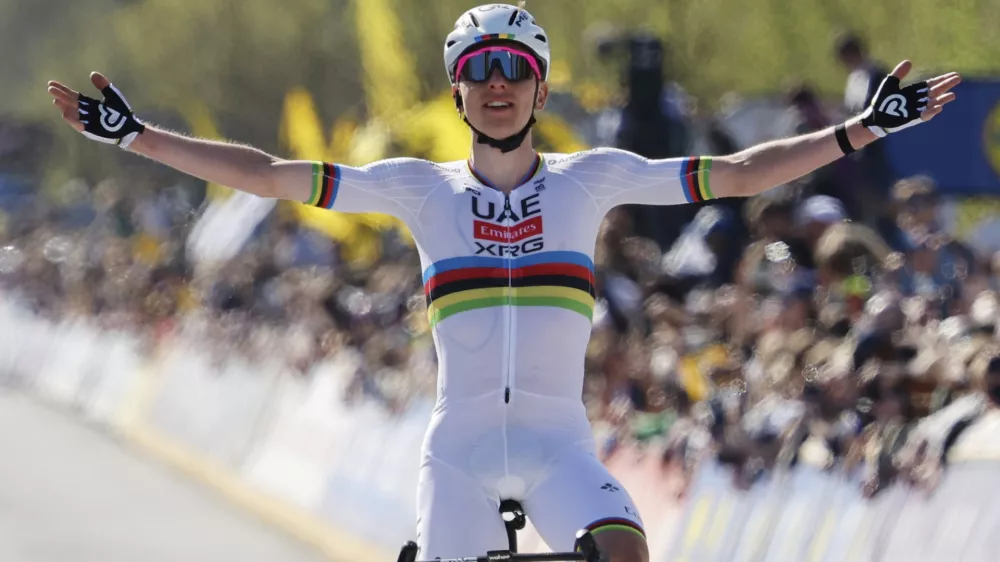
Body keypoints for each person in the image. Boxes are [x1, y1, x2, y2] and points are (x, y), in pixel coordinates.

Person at [46, 4, 960, 561]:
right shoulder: (415, 187)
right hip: (461, 454)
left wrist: (860, 133)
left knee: (625, 552)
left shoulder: (592, 178)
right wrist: (139, 137)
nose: (495, 85)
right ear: (455, 90)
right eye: (476, 71)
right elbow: (272, 172)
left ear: (538, 87)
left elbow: (744, 172)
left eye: (512, 71)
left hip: (563, 449)